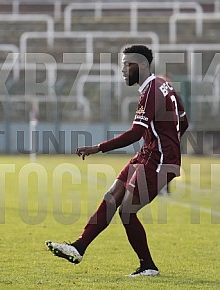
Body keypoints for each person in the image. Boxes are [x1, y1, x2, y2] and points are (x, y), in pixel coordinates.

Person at [46, 45, 188, 277]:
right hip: (150, 154)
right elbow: (184, 120)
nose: (123, 69)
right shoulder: (163, 84)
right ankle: (79, 247)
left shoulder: (151, 91)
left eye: (127, 64)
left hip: (159, 160)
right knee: (112, 197)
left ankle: (148, 266)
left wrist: (98, 148)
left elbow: (134, 133)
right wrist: (166, 140)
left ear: (141, 65)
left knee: (127, 212)